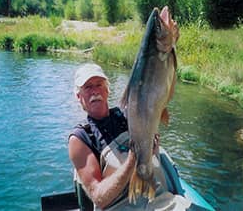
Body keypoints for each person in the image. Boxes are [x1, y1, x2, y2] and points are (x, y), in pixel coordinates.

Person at [69, 63, 191, 211]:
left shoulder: (128, 115)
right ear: (78, 96)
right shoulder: (80, 138)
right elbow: (99, 197)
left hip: (159, 199)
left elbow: (156, 91)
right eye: (87, 87)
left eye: (99, 84)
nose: (95, 91)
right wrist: (134, 158)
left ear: (107, 90)